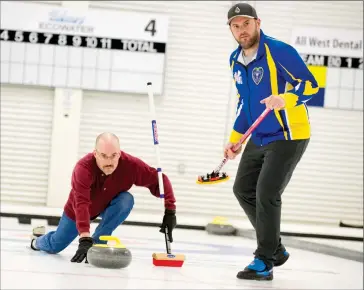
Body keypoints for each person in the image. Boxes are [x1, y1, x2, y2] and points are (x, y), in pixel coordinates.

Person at [224, 3, 319, 281]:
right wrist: (235, 139)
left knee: (266, 192)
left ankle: (264, 260)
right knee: (243, 189)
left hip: (289, 133)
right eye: (236, 25)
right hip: (259, 136)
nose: (242, 30)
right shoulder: (235, 59)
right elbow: (245, 103)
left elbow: (310, 85)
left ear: (258, 22)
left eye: (246, 24)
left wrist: (286, 99)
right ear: (230, 28)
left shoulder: (278, 50)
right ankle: (275, 248)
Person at [30, 132, 177, 263]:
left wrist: (170, 211)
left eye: (114, 156)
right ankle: (37, 241)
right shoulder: (83, 168)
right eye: (104, 156)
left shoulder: (130, 165)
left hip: (108, 205)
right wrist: (85, 237)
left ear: (119, 153)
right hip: (79, 209)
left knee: (126, 200)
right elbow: (81, 203)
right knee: (56, 245)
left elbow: (160, 180)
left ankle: (97, 244)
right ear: (95, 154)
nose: (109, 161)